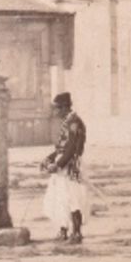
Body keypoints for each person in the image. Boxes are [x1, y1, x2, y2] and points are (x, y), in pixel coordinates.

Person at [40, 91, 86, 243]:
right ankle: (63, 230)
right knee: (59, 198)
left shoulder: (74, 123)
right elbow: (61, 148)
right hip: (62, 166)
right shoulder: (67, 121)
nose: (55, 112)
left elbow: (71, 149)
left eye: (57, 108)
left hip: (71, 166)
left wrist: (58, 165)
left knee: (73, 198)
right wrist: (49, 158)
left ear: (65, 107)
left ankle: (77, 233)